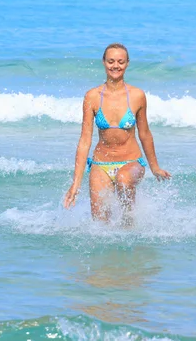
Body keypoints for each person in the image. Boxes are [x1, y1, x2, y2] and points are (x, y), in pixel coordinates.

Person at [64, 43, 171, 222]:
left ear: (127, 63)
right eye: (111, 61)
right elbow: (84, 140)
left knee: (123, 180)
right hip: (101, 164)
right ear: (104, 62)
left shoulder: (137, 95)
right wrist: (75, 184)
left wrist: (155, 167)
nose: (116, 66)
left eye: (120, 61)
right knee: (99, 225)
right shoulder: (92, 96)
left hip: (131, 162)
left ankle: (130, 226)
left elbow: (144, 133)